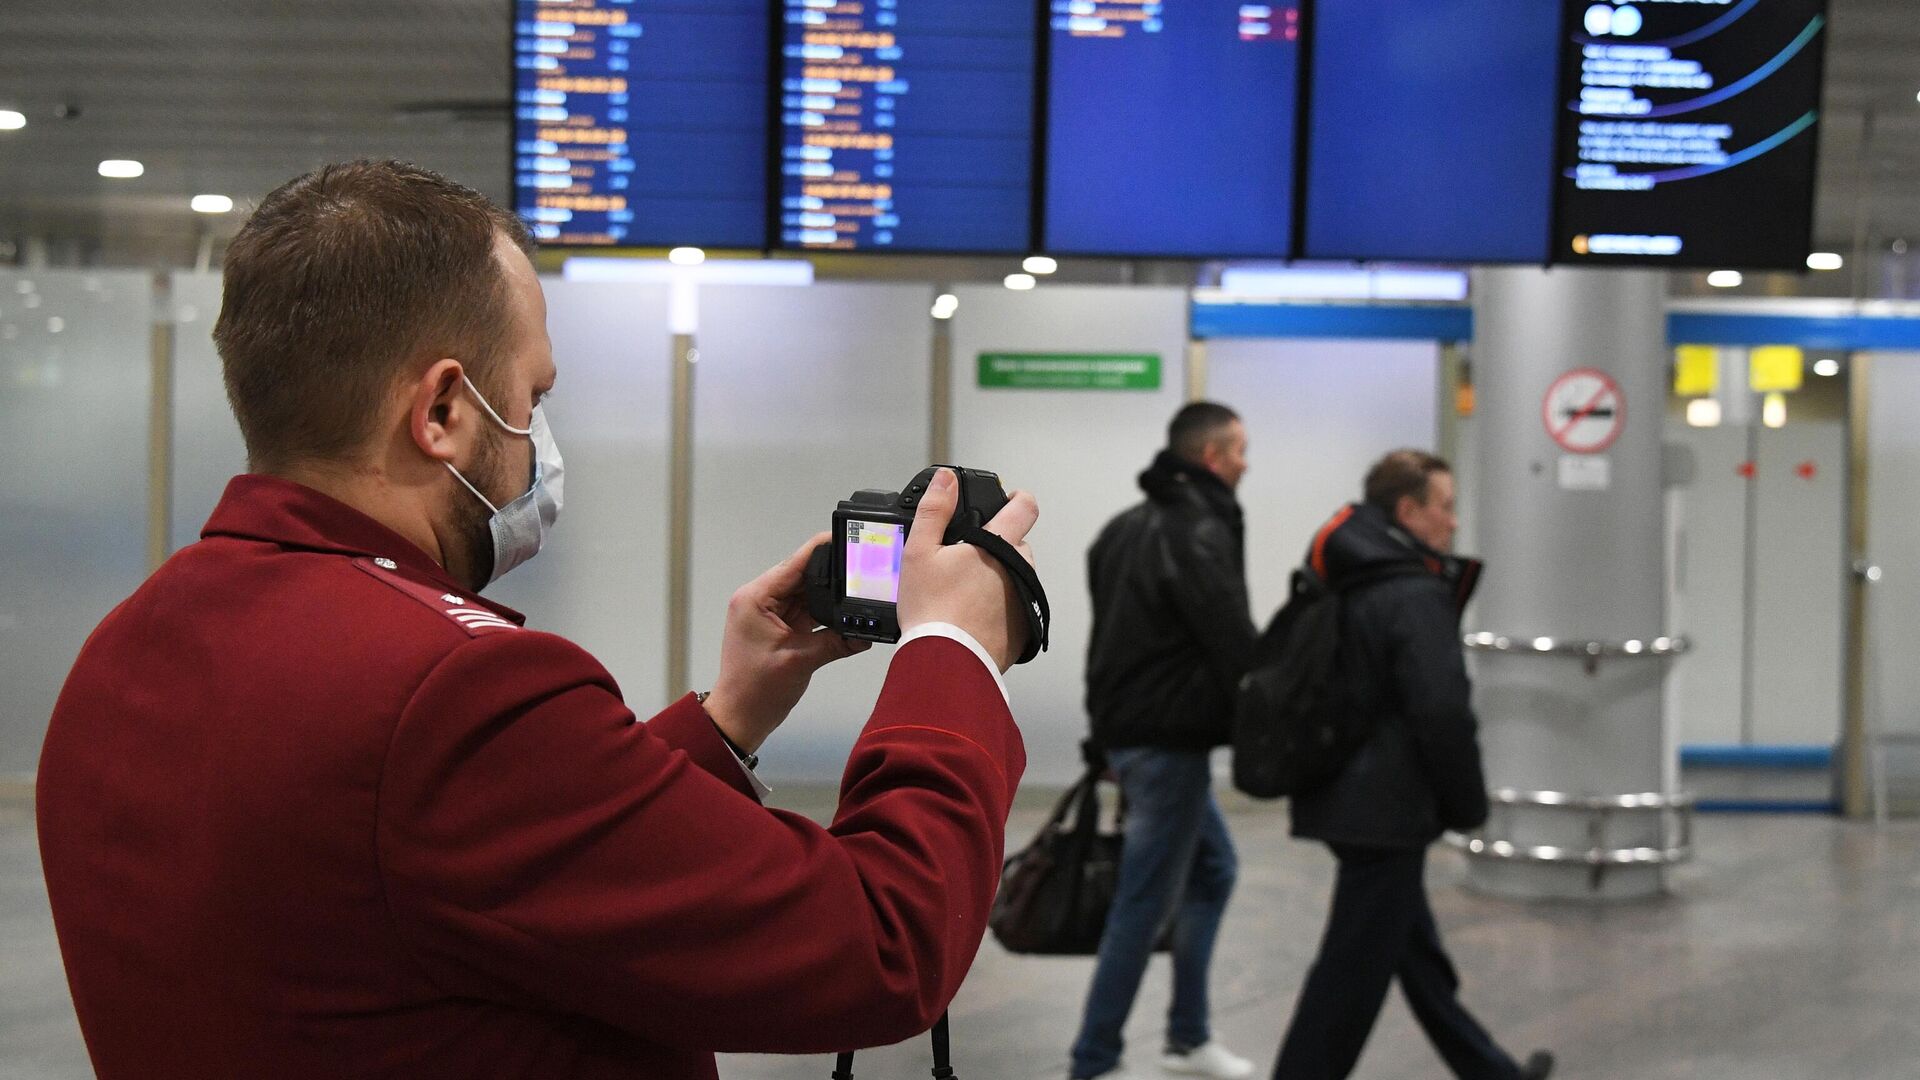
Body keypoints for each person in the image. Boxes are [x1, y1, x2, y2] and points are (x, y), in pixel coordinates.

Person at [35, 160, 1041, 1080]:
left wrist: (728, 715)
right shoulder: (448, 688)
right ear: (442, 412)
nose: (540, 440)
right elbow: (877, 948)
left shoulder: (127, 646)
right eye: (534, 394)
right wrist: (950, 653)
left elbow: (464, 873)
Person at [1272, 450, 1551, 1080]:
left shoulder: (1345, 576)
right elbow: (1443, 712)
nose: (1454, 523)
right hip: (1385, 810)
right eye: (1444, 507)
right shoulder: (1412, 593)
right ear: (1408, 510)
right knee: (1348, 982)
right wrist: (1467, 804)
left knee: (1415, 958)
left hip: (1349, 793)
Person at [1069, 402, 1260, 1080]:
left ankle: (1186, 1037)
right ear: (1211, 456)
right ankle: (1095, 1059)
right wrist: (1271, 717)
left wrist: (1104, 736)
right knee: (1143, 901)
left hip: (1135, 736)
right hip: (1168, 743)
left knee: (1213, 870)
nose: (1246, 461)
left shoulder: (1120, 530)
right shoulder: (1199, 529)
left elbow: (1107, 646)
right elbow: (1230, 637)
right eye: (1238, 449)